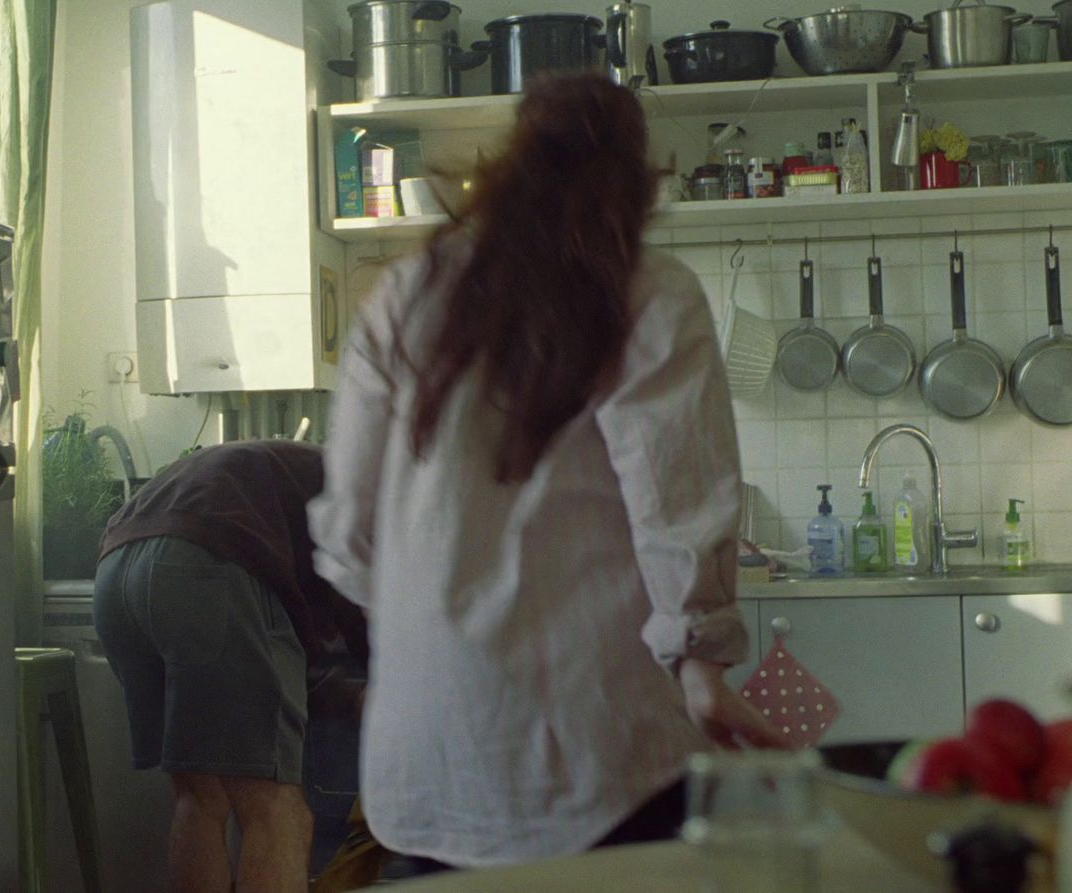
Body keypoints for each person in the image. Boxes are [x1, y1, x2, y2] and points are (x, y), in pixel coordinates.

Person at [307, 73, 784, 871]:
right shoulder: (651, 293)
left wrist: (434, 632)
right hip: (598, 754)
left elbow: (348, 532)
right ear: (636, 179)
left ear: (511, 158)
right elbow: (677, 502)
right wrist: (699, 664)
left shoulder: (408, 292)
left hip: (430, 757)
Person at [92, 440, 367, 893]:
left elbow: (281, 644)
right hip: (205, 565)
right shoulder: (364, 489)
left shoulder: (297, 472)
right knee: (276, 806)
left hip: (117, 573)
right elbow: (361, 608)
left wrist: (348, 693)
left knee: (202, 794)